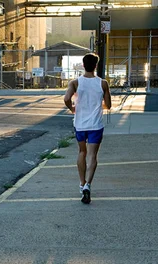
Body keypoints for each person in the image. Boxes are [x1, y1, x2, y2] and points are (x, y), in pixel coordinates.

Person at [63, 53, 112, 204]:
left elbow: (66, 99)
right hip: (96, 125)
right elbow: (108, 105)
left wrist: (72, 108)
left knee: (82, 152)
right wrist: (100, 106)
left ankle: (82, 182)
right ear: (95, 66)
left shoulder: (75, 83)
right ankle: (88, 185)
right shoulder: (102, 83)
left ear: (83, 65)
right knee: (92, 156)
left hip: (80, 124)